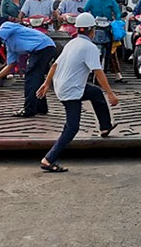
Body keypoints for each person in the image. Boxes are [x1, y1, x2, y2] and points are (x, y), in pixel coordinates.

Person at [36, 12, 119, 172]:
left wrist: (46, 84)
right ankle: (48, 159)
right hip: (71, 90)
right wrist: (110, 93)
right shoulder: (90, 47)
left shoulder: (72, 43)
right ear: (91, 30)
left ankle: (105, 126)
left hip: (62, 85)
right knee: (72, 127)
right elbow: (98, 72)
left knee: (95, 93)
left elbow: (54, 65)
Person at [0, 17, 59, 117]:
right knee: (37, 78)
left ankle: (29, 109)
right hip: (43, 48)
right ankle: (41, 107)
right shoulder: (10, 45)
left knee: (31, 78)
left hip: (42, 48)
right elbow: (11, 65)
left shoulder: (7, 25)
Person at [84, 0, 123, 81]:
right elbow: (85, 10)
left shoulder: (111, 1)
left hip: (107, 27)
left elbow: (117, 12)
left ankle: (108, 70)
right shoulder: (92, 0)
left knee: (111, 51)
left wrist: (118, 19)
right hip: (95, 27)